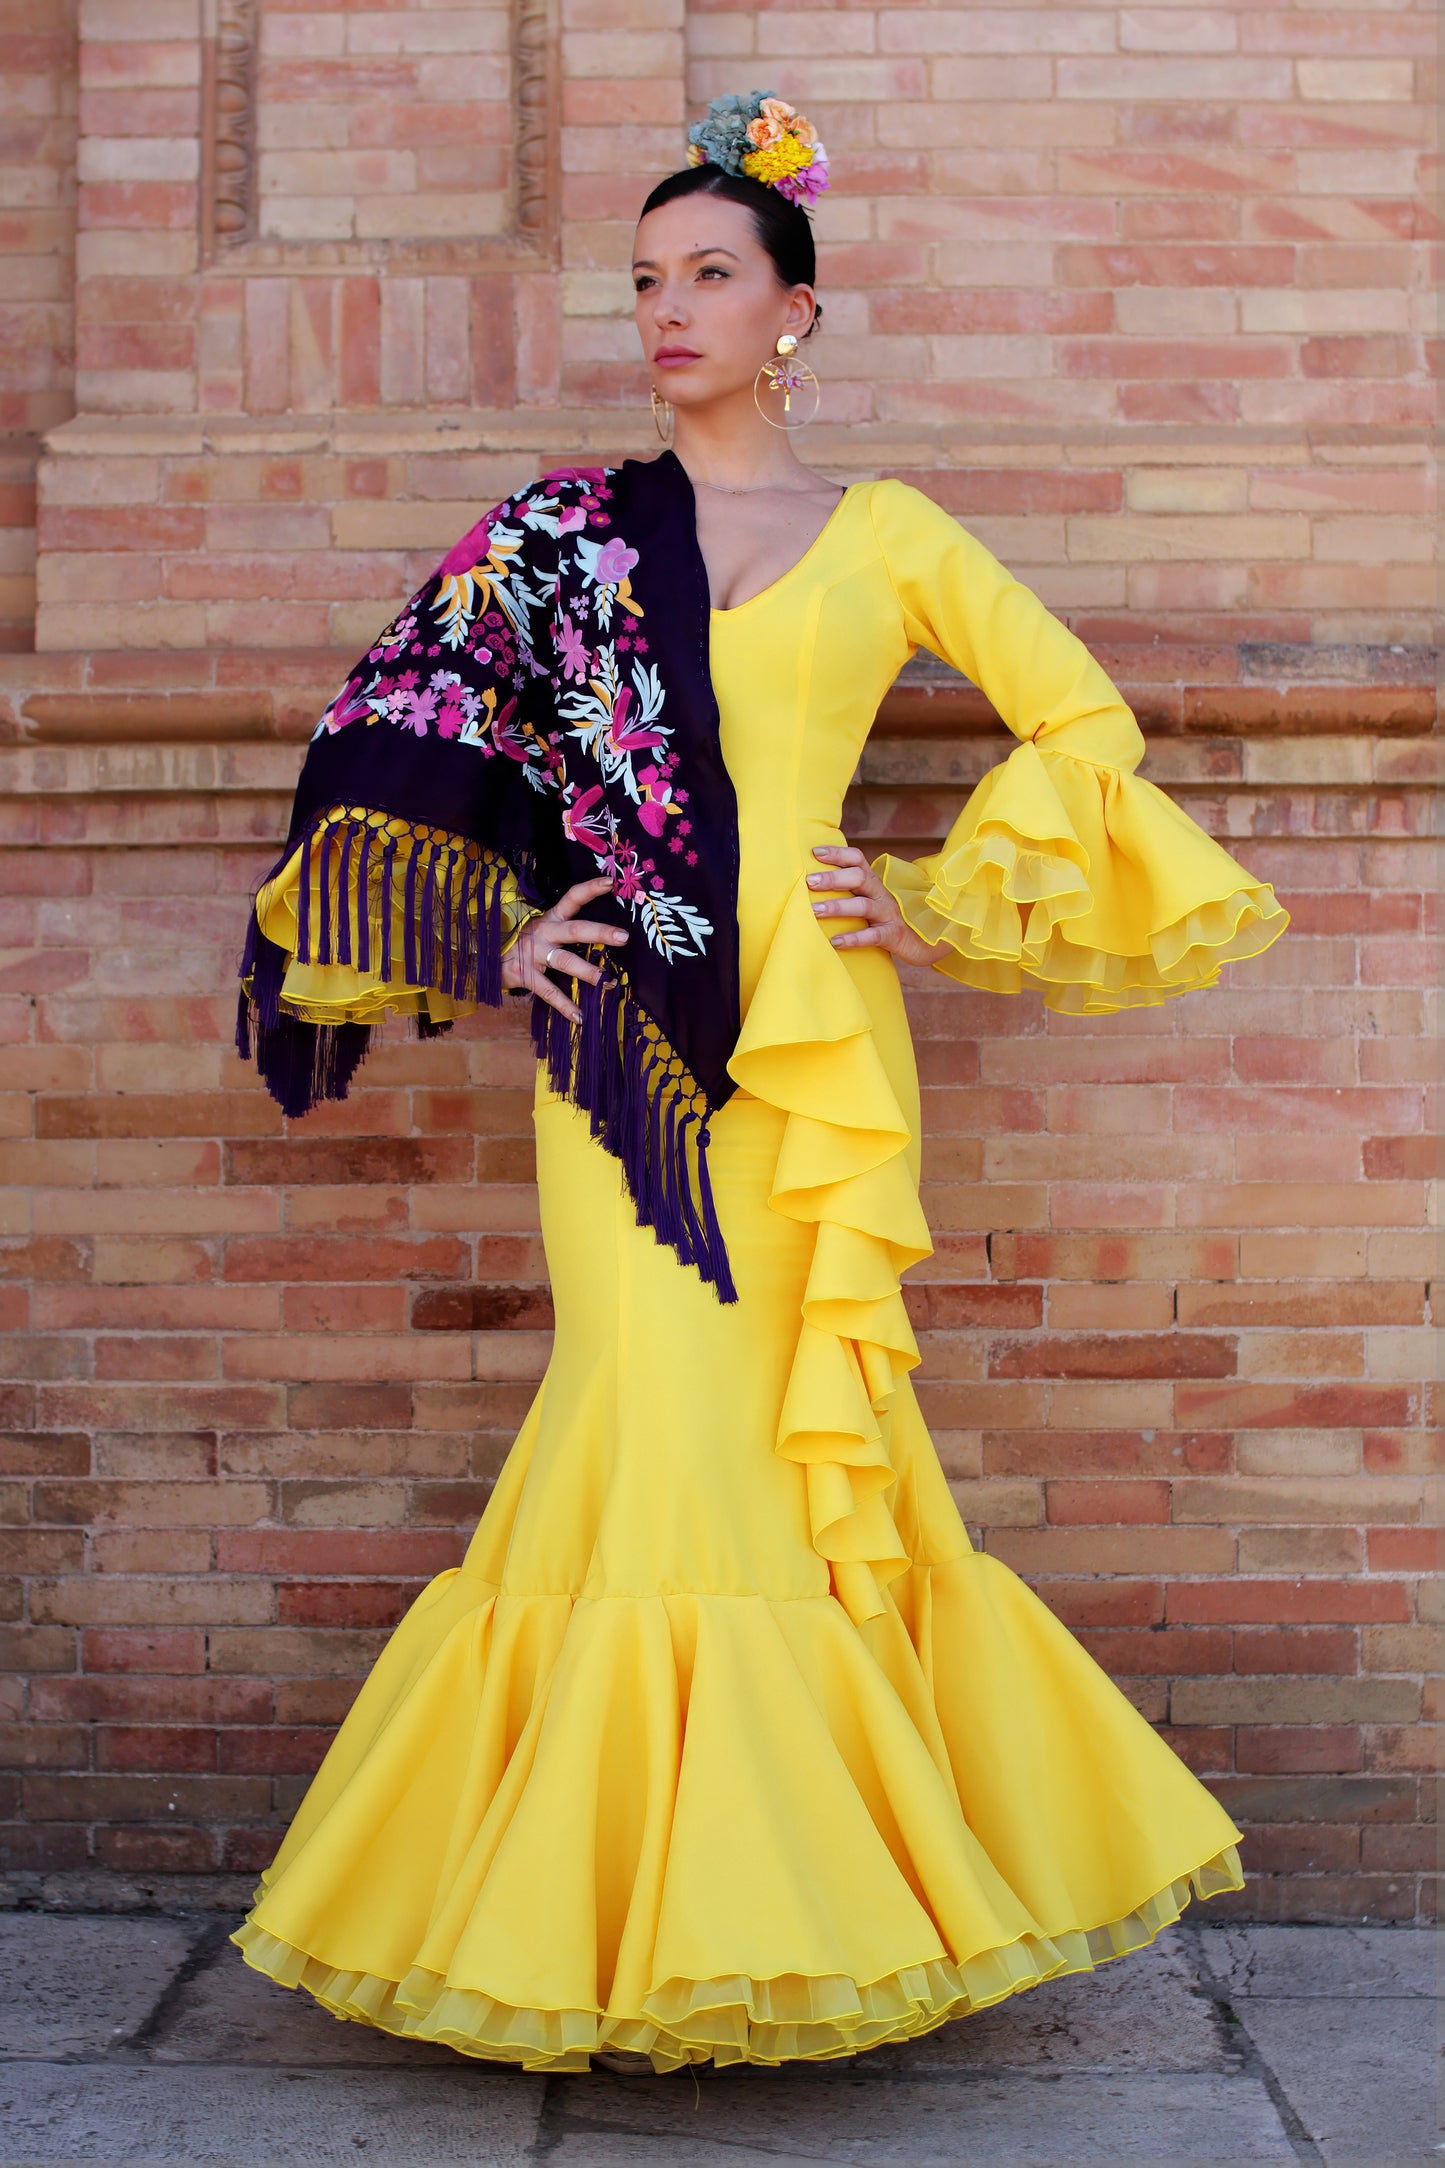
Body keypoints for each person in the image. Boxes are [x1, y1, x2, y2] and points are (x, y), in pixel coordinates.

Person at [229, 93, 1288, 2075]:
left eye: (711, 272)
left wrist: (934, 900)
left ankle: (772, 1924)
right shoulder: (559, 536)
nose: (670, 309)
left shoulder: (887, 534)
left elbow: (1082, 717)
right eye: (646, 280)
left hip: (814, 1046)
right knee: (643, 1428)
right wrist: (487, 938)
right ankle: (624, 1926)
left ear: (796, 307)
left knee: (795, 1473)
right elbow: (392, 735)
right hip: (622, 1054)